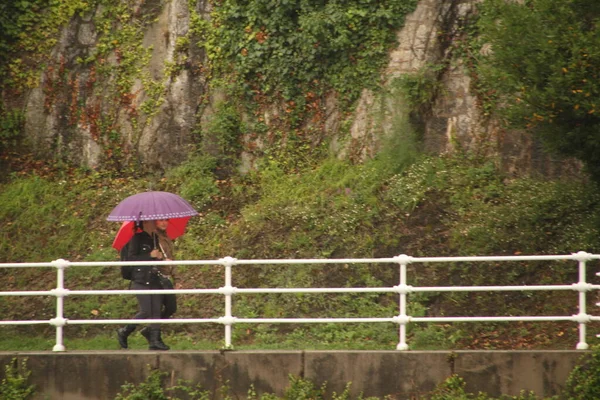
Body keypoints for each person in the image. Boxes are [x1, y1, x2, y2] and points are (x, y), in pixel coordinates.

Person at [116, 220, 170, 351]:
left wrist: (161, 258)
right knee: (146, 310)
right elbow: (131, 259)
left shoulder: (155, 238)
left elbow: (156, 258)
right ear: (145, 223)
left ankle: (155, 340)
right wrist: (149, 255)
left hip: (154, 277)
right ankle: (125, 331)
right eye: (151, 221)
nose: (154, 223)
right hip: (141, 279)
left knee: (157, 309)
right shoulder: (136, 238)